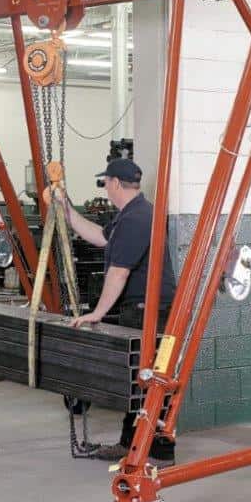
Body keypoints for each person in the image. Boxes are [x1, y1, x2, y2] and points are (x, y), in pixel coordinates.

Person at [60, 158, 177, 463]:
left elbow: (119, 272)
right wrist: (67, 211)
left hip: (148, 312)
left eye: (105, 183)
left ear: (114, 183)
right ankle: (139, 446)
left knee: (146, 380)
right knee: (142, 380)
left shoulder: (137, 218)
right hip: (145, 309)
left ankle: (154, 449)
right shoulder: (133, 214)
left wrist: (97, 313)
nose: (105, 188)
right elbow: (101, 237)